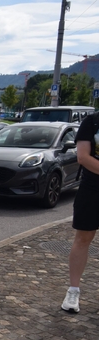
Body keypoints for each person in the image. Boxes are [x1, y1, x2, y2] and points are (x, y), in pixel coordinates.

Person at [62, 112, 99, 313]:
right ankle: (73, 291)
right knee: (83, 239)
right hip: (92, 191)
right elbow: (83, 157)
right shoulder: (92, 122)